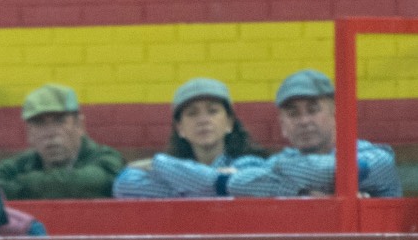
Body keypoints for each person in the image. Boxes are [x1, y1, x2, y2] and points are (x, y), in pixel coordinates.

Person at [134, 70, 400, 199]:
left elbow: (328, 171)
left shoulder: (377, 158)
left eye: (313, 109)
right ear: (282, 124)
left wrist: (160, 164)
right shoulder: (274, 164)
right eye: (293, 113)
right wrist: (302, 194)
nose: (304, 120)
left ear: (337, 114)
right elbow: (127, 184)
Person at [113, 78, 267, 198]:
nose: (203, 120)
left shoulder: (251, 164)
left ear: (229, 123)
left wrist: (159, 164)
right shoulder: (172, 169)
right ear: (180, 128)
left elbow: (240, 184)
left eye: (212, 111)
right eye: (192, 113)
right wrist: (214, 185)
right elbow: (125, 184)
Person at [0, 83, 125, 199]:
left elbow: (91, 182)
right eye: (40, 123)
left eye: (59, 121)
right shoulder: (24, 163)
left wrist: (18, 186)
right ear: (29, 133)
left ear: (79, 125)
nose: (51, 133)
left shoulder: (107, 159)